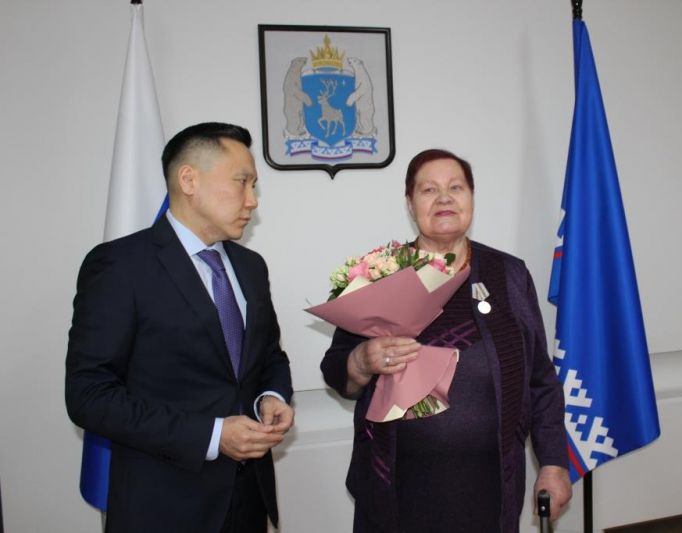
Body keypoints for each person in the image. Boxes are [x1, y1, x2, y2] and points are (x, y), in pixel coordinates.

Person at [321, 148, 572, 532]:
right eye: (429, 190)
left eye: (456, 188)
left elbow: (540, 379)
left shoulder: (508, 274)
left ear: (471, 198)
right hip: (397, 490)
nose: (444, 198)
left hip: (490, 489)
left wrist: (553, 463)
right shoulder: (379, 273)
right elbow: (337, 370)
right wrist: (361, 360)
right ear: (410, 203)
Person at [66, 122, 294, 533]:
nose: (252, 200)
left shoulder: (251, 266)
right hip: (163, 505)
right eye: (242, 182)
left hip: (248, 500)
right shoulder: (120, 266)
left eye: (254, 186)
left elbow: (269, 356)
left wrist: (271, 397)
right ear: (189, 180)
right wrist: (212, 435)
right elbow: (89, 396)